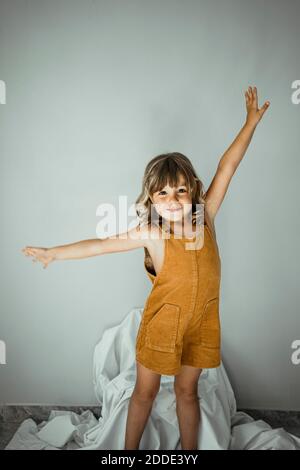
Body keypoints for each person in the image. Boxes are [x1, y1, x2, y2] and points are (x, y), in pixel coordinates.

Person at [21, 86, 270, 450]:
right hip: (162, 325)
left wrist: (249, 123)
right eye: (164, 193)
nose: (173, 200)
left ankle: (189, 453)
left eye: (181, 191)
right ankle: (128, 453)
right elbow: (101, 244)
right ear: (152, 197)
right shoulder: (153, 233)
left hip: (202, 322)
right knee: (144, 393)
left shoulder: (206, 218)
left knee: (188, 392)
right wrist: (54, 253)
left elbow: (227, 166)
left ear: (194, 191)